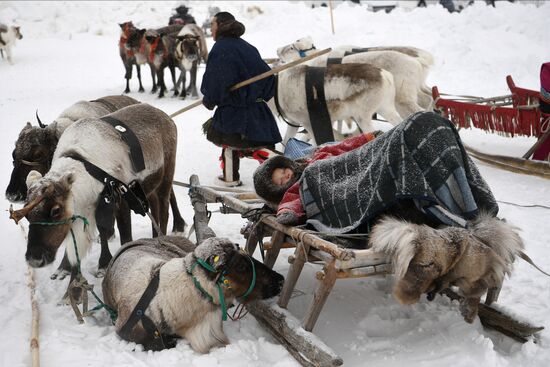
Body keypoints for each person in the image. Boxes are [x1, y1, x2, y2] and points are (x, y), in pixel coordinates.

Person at [253, 111, 499, 235]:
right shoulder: (303, 183)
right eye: (281, 181)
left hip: (365, 161)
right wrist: (285, 214)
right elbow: (291, 204)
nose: (286, 176)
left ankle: (465, 200)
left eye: (283, 170)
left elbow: (345, 147)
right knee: (403, 147)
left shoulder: (316, 155)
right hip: (344, 184)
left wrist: (371, 138)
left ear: (287, 163)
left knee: (422, 124)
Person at [201, 12, 282, 187]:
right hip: (259, 112)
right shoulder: (247, 47)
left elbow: (216, 81)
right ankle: (231, 177)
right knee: (249, 143)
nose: (211, 28)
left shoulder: (221, 49)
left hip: (235, 114)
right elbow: (268, 79)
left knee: (230, 141)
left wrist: (210, 99)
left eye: (213, 24)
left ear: (220, 25)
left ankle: (284, 165)